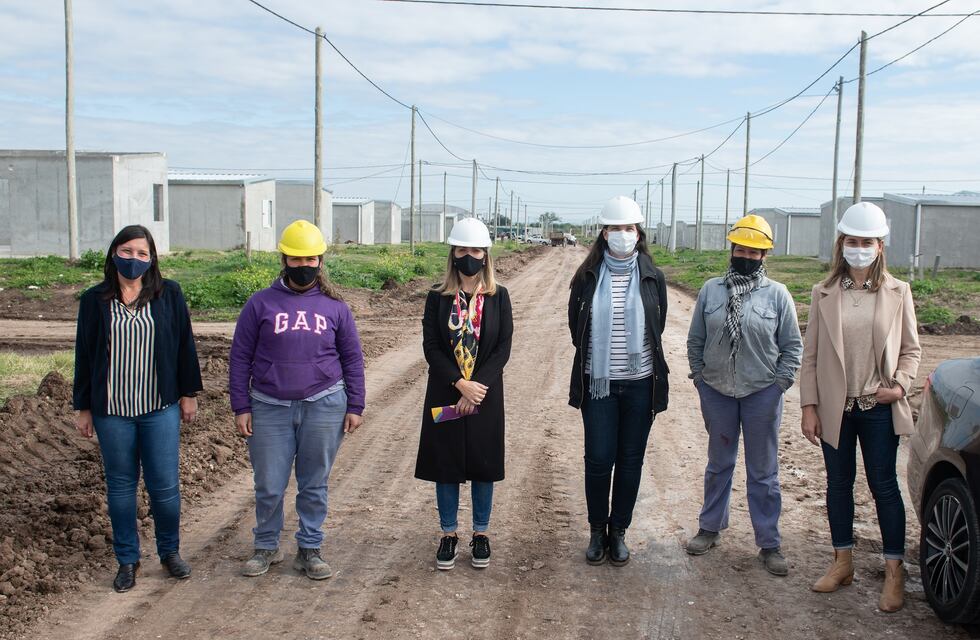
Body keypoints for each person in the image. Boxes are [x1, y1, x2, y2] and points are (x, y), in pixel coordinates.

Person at [800, 202, 921, 612]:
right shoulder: (824, 292)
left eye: (867, 242)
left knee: (884, 486)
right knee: (838, 485)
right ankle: (842, 563)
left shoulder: (898, 292)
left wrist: (901, 387)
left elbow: (911, 350)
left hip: (878, 407)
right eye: (852, 241)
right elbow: (812, 355)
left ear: (880, 246)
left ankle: (893, 572)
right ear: (841, 244)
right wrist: (809, 406)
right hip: (837, 408)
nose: (859, 248)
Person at [229, 220, 365, 580]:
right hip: (268, 406)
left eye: (310, 260)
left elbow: (352, 358)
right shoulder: (260, 303)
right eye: (295, 259)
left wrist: (356, 405)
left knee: (314, 482)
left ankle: (309, 548)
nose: (303, 267)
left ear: (320, 261)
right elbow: (240, 356)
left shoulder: (336, 308)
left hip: (324, 404)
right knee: (269, 483)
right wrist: (241, 405)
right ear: (284, 260)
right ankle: (266, 546)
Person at [73, 225, 202, 593]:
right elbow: (84, 355)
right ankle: (127, 560)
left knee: (164, 487)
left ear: (152, 259)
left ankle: (169, 552)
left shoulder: (168, 294)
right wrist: (83, 407)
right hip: (111, 410)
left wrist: (188, 392)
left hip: (158, 406)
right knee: (121, 487)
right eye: (127, 251)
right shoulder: (94, 300)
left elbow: (183, 345)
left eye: (142, 254)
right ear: (114, 253)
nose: (134, 259)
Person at [684, 215, 803, 576]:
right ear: (731, 249)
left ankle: (769, 543)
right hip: (718, 390)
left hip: (761, 393)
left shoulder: (778, 295)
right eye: (740, 249)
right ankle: (709, 528)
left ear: (765, 255)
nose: (746, 256)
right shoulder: (710, 290)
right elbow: (695, 340)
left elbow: (792, 347)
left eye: (754, 251)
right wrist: (701, 381)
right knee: (718, 464)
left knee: (763, 471)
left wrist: (779, 385)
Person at [567, 196, 670, 566]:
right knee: (597, 460)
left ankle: (619, 531)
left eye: (629, 228)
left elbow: (658, 326)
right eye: (616, 228)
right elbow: (575, 328)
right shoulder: (587, 276)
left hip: (641, 385)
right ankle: (597, 531)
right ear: (604, 233)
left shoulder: (653, 276)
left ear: (639, 233)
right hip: (599, 385)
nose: (623, 234)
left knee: (630, 461)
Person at [415, 217, 513, 571]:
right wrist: (460, 383)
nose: (468, 256)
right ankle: (448, 534)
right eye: (462, 250)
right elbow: (431, 347)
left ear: (485, 255)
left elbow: (503, 348)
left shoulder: (499, 297)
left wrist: (477, 389)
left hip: (485, 396)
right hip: (446, 392)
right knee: (447, 465)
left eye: (475, 250)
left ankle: (481, 533)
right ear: (452, 254)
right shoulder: (436, 298)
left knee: (483, 465)